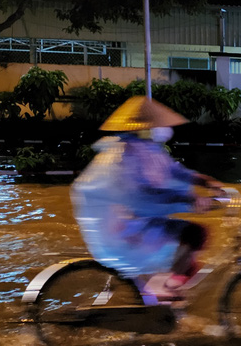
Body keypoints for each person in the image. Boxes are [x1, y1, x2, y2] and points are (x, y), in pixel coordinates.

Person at [71, 96, 225, 292]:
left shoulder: (148, 148)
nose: (163, 129)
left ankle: (164, 291)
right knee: (195, 235)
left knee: (187, 249)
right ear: (144, 127)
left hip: (137, 221)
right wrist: (188, 201)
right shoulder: (125, 155)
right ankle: (169, 291)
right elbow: (140, 197)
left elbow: (175, 171)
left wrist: (205, 181)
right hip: (125, 229)